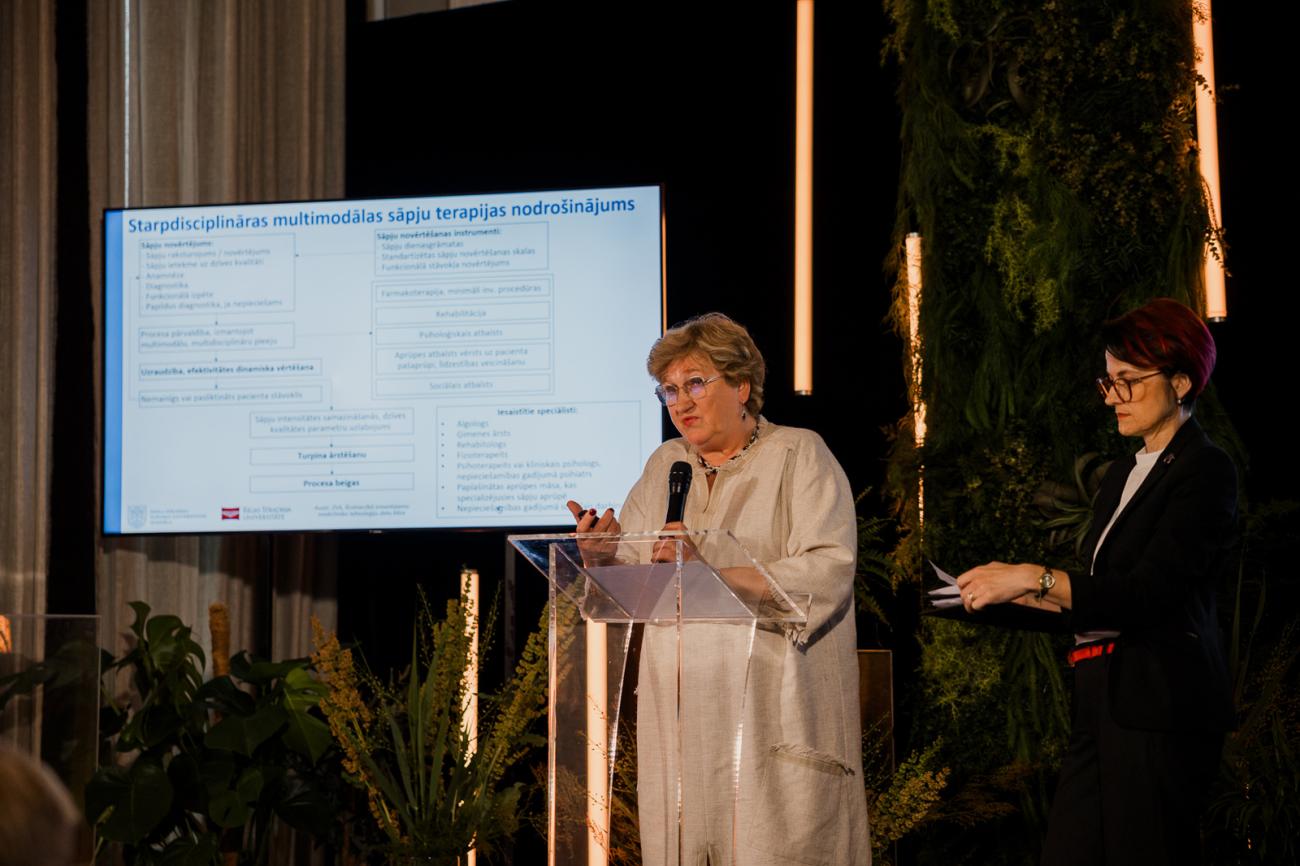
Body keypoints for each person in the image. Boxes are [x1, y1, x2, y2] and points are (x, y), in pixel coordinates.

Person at [568, 312, 871, 866]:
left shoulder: (798, 455)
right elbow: (633, 582)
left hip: (769, 724)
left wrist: (712, 573)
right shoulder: (666, 465)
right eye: (669, 390)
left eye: (695, 383)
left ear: (742, 386)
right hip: (681, 734)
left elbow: (828, 570)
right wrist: (601, 556)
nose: (680, 402)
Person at [955, 297, 1237, 866]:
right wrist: (998, 595)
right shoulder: (1122, 475)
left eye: (1128, 381)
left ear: (1181, 382)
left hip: (1157, 707)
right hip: (1100, 700)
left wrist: (1032, 577)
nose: (1112, 397)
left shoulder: (1205, 469)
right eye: (1109, 382)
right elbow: (1096, 596)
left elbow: (1147, 596)